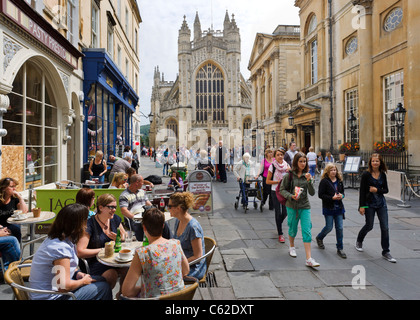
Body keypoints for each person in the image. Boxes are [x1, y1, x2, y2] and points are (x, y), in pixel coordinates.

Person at [29, 203, 112, 300]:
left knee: (102, 280)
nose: (86, 226)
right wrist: (82, 282)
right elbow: (63, 286)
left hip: (53, 291)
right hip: (51, 297)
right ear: (76, 224)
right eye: (85, 221)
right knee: (103, 287)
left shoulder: (59, 239)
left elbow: (64, 268)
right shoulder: (60, 248)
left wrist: (77, 273)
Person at [121, 208, 189, 298]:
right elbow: (186, 271)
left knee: (121, 296)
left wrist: (142, 288)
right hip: (180, 297)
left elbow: (126, 291)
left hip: (155, 298)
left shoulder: (143, 253)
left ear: (144, 227)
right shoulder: (175, 243)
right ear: (163, 226)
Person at [76, 194, 128, 291]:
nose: (114, 210)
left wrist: (120, 238)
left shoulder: (115, 219)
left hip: (113, 259)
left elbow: (124, 235)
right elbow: (80, 251)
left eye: (115, 207)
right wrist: (104, 250)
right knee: (111, 274)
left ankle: (121, 294)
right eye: (111, 207)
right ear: (101, 207)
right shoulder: (89, 225)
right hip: (95, 262)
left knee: (128, 268)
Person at [280, 152, 319, 267]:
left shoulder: (307, 175)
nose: (303, 163)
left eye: (304, 161)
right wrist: (291, 196)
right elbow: (282, 190)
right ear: (296, 162)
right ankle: (291, 246)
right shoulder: (289, 175)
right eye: (300, 161)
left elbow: (312, 193)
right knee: (292, 228)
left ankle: (309, 258)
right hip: (292, 206)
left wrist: (309, 181)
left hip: (304, 206)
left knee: (307, 230)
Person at [356, 153, 396, 263]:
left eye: (377, 161)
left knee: (385, 227)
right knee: (369, 225)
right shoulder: (366, 174)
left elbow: (386, 190)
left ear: (380, 162)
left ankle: (386, 251)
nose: (375, 163)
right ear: (370, 162)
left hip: (381, 204)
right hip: (369, 204)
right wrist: (362, 206)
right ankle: (359, 240)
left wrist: (377, 190)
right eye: (373, 161)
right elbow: (362, 191)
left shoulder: (383, 175)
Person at [119, 174, 172, 241]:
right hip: (134, 218)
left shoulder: (142, 192)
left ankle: (169, 241)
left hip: (145, 215)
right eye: (142, 182)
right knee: (140, 226)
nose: (143, 183)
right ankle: (142, 243)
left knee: (162, 222)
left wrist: (154, 211)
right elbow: (124, 210)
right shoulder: (124, 195)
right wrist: (134, 217)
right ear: (137, 183)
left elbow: (148, 203)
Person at [168, 192, 206, 280]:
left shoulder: (193, 227)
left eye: (170, 206)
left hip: (193, 268)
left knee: (165, 276)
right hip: (181, 261)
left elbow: (198, 257)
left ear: (178, 208)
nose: (168, 208)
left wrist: (177, 263)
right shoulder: (178, 220)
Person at [315, 163, 346, 258]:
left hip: (339, 208)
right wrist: (331, 198)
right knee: (329, 227)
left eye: (335, 170)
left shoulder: (339, 181)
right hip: (329, 207)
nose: (334, 171)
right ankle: (319, 237)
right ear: (327, 172)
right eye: (331, 170)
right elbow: (321, 195)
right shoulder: (324, 181)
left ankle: (340, 248)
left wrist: (342, 196)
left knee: (339, 228)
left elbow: (343, 193)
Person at [266, 149, 291, 243]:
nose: (280, 156)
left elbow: (290, 178)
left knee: (285, 212)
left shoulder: (287, 166)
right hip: (275, 191)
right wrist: (278, 182)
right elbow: (267, 181)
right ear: (275, 157)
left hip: (284, 191)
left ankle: (278, 223)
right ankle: (280, 233)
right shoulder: (272, 166)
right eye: (278, 155)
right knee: (278, 211)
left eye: (281, 155)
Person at [0, 178, 28, 242]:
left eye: (15, 186)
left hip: (11, 224)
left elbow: (24, 212)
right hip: (1, 225)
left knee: (16, 228)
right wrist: (2, 229)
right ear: (4, 188)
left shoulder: (14, 199)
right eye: (12, 187)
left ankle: (17, 249)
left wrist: (20, 198)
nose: (14, 189)